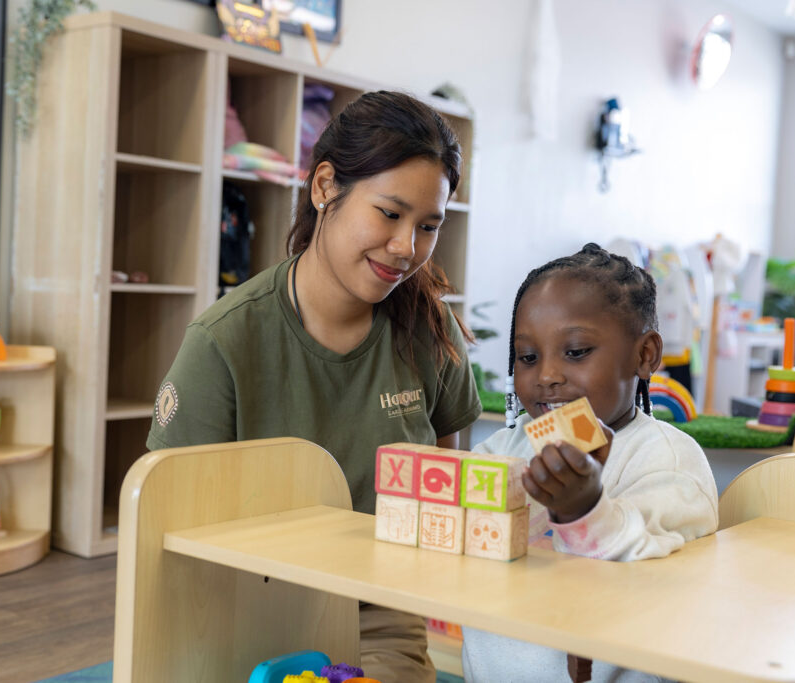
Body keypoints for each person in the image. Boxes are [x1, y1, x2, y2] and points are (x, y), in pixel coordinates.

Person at [147, 90, 482, 682]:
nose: (407, 248)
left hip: (376, 614)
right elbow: (168, 527)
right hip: (243, 607)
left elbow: (446, 490)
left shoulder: (432, 332)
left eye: (428, 226)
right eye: (389, 213)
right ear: (325, 186)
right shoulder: (224, 342)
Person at [461, 243, 718, 683]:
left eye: (576, 352)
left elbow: (649, 576)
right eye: (528, 357)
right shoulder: (503, 449)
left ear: (645, 355)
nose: (546, 376)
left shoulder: (668, 461)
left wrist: (583, 509)